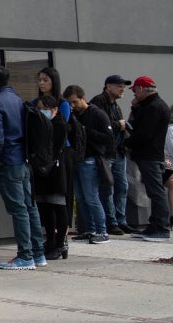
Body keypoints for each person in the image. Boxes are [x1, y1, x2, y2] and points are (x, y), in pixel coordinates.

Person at [0, 65, 46, 269]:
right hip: (23, 160)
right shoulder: (17, 98)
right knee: (29, 207)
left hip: (8, 161)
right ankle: (38, 253)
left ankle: (25, 255)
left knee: (18, 210)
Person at [65, 84, 113, 244]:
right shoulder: (73, 115)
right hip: (77, 159)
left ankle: (102, 231)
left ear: (83, 98)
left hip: (90, 159)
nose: (72, 106)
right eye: (69, 103)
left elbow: (108, 137)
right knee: (80, 198)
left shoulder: (97, 114)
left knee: (91, 197)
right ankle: (89, 229)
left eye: (75, 102)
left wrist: (85, 131)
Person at [127, 76, 171, 241]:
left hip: (150, 156)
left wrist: (126, 143)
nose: (134, 94)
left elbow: (143, 133)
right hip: (152, 155)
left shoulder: (153, 107)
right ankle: (155, 226)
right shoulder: (154, 105)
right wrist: (136, 109)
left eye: (135, 90)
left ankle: (161, 228)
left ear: (142, 89)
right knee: (155, 192)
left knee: (156, 192)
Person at [92, 75, 134, 234]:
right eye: (119, 86)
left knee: (122, 186)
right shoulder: (98, 102)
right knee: (107, 187)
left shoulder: (116, 105)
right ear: (108, 86)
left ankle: (121, 220)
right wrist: (119, 125)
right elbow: (102, 126)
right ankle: (111, 222)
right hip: (106, 153)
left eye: (123, 86)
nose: (122, 89)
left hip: (119, 152)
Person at [30, 95, 70, 259]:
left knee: (58, 206)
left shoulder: (59, 124)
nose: (42, 112)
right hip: (41, 170)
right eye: (39, 109)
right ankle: (51, 240)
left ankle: (60, 243)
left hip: (55, 170)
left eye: (45, 109)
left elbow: (55, 147)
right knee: (45, 208)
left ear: (54, 110)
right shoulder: (38, 124)